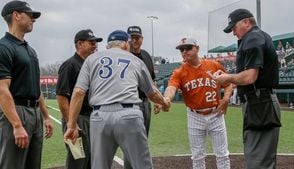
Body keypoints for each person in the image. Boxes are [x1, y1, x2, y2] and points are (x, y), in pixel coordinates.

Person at [64, 30, 170, 169]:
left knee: (99, 166)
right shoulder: (135, 60)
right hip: (129, 115)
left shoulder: (92, 59)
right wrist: (164, 103)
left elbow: (78, 92)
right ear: (126, 44)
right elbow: (152, 93)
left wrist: (71, 124)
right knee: (142, 165)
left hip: (99, 116)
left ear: (108, 45)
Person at [216, 9, 281, 169]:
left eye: (234, 28)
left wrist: (228, 78)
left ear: (246, 22)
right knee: (257, 159)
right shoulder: (256, 37)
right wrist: (228, 74)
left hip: (261, 102)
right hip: (259, 102)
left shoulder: (253, 37)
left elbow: (250, 76)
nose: (233, 33)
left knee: (258, 163)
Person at [161, 37, 232, 169]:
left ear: (197, 49)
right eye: (181, 49)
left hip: (216, 113)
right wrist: (166, 99)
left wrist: (226, 98)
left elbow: (228, 84)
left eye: (188, 48)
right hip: (194, 116)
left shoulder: (213, 65)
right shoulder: (179, 72)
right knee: (197, 156)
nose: (184, 51)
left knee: (222, 155)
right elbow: (171, 88)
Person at [0, 1, 54, 169]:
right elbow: (2, 90)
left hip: (35, 112)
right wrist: (16, 125)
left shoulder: (30, 50)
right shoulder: (4, 47)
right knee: (13, 164)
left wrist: (45, 117)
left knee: (33, 164)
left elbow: (36, 88)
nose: (34, 20)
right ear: (16, 15)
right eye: (30, 15)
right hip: (17, 110)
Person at [56, 29, 102, 169]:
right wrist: (72, 123)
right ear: (80, 44)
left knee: (90, 160)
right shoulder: (70, 65)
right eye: (91, 43)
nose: (95, 46)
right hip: (77, 118)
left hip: (91, 118)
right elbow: (62, 96)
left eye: (96, 43)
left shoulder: (89, 65)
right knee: (77, 160)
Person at [125, 25, 155, 169]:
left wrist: (158, 102)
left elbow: (152, 81)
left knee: (143, 140)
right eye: (131, 38)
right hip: (129, 104)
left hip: (145, 102)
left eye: (137, 38)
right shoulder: (123, 56)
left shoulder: (146, 56)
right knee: (130, 141)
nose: (134, 41)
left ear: (142, 39)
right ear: (127, 39)